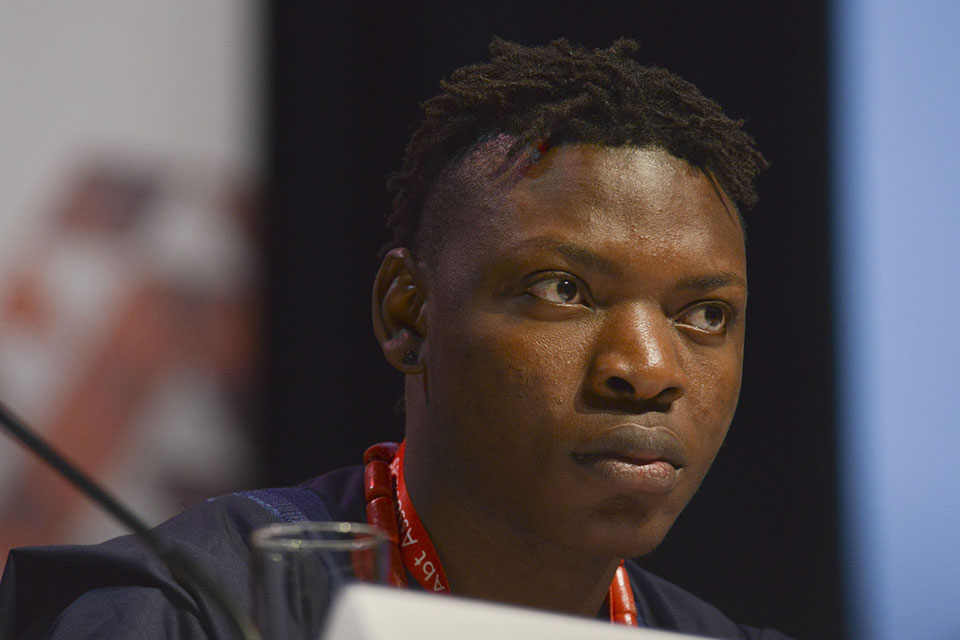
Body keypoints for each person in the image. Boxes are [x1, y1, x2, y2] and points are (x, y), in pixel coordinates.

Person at [0, 38, 790, 639]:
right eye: (563, 290)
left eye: (705, 315)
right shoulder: (182, 612)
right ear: (408, 314)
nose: (648, 370)